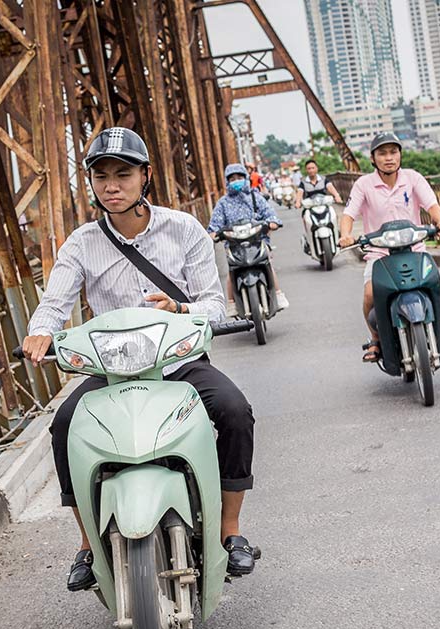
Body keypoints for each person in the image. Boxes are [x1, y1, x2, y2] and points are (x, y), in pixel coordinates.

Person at [21, 128, 260, 589]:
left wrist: (181, 309)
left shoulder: (184, 228)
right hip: (111, 370)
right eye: (101, 175)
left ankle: (231, 530)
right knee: (64, 425)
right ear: (90, 182)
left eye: (123, 174)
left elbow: (214, 304)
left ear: (145, 176)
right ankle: (88, 543)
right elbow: (55, 300)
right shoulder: (81, 242)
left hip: (178, 361)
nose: (112, 185)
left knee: (235, 412)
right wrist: (40, 331)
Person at [338, 132, 440, 362]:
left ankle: (439, 326)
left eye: (393, 152)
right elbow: (349, 213)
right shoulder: (363, 184)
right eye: (382, 153)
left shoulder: (413, 178)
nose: (389, 158)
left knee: (433, 282)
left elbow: (432, 204)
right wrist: (345, 235)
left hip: (414, 248)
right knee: (369, 294)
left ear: (400, 154)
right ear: (373, 159)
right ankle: (375, 338)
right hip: (379, 252)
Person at [207, 163, 289, 317]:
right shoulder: (223, 203)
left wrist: (272, 222)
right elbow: (214, 226)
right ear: (227, 181)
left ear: (246, 178)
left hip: (257, 240)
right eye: (232, 178)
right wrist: (213, 234)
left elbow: (270, 214)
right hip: (234, 244)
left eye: (239, 177)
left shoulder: (255, 197)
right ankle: (231, 303)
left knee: (268, 264)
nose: (236, 180)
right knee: (231, 271)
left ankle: (278, 294)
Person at [294, 158, 343, 250]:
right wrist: (297, 202)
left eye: (313, 168)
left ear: (317, 169)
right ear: (306, 170)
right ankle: (309, 240)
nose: (311, 170)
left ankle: (338, 232)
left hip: (323, 205)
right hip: (310, 207)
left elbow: (330, 187)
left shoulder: (324, 179)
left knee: (334, 214)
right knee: (305, 218)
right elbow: (299, 193)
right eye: (309, 168)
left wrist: (337, 196)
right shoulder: (303, 182)